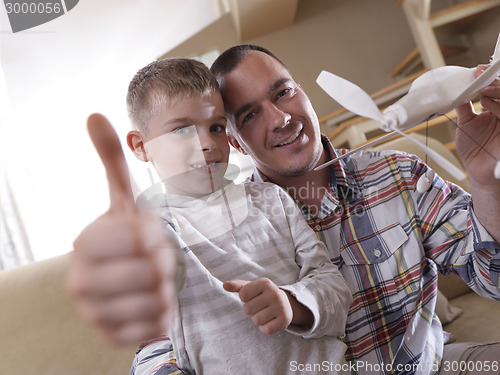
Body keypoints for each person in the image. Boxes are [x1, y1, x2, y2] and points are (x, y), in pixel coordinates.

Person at [68, 46, 500, 375]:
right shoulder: (189, 230)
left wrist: (487, 183)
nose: (279, 119)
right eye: (250, 114)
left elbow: (492, 278)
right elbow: (157, 344)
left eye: (283, 93)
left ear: (303, 92)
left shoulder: (400, 176)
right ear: (236, 140)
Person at [70, 57, 352, 374]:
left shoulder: (272, 200)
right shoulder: (154, 231)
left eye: (216, 127)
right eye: (181, 131)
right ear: (141, 146)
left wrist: (292, 303)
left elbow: (334, 289)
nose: (206, 143)